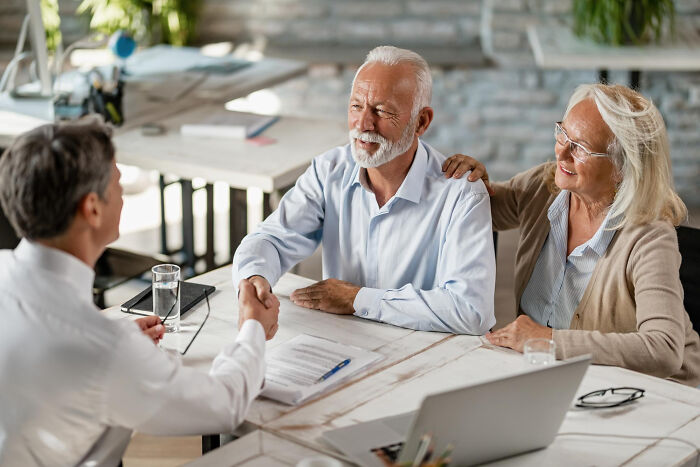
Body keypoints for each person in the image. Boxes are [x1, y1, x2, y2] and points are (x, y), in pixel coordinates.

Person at [0, 119, 280, 465]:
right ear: (92, 208)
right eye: (117, 182)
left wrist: (117, 340)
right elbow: (224, 406)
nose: (121, 194)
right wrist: (253, 327)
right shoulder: (103, 348)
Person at [442, 83, 700, 386]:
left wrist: (548, 341)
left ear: (622, 166)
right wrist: (470, 184)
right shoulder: (544, 185)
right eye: (562, 133)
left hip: (655, 395)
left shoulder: (650, 237)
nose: (561, 152)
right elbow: (478, 212)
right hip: (558, 379)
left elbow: (664, 350)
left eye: (580, 147)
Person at [232, 46, 496, 335]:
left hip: (423, 358)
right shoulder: (328, 171)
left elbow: (471, 311)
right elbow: (271, 239)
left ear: (421, 121)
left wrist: (356, 299)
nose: (363, 124)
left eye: (382, 111)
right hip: (341, 346)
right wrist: (253, 279)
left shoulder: (461, 194)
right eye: (356, 106)